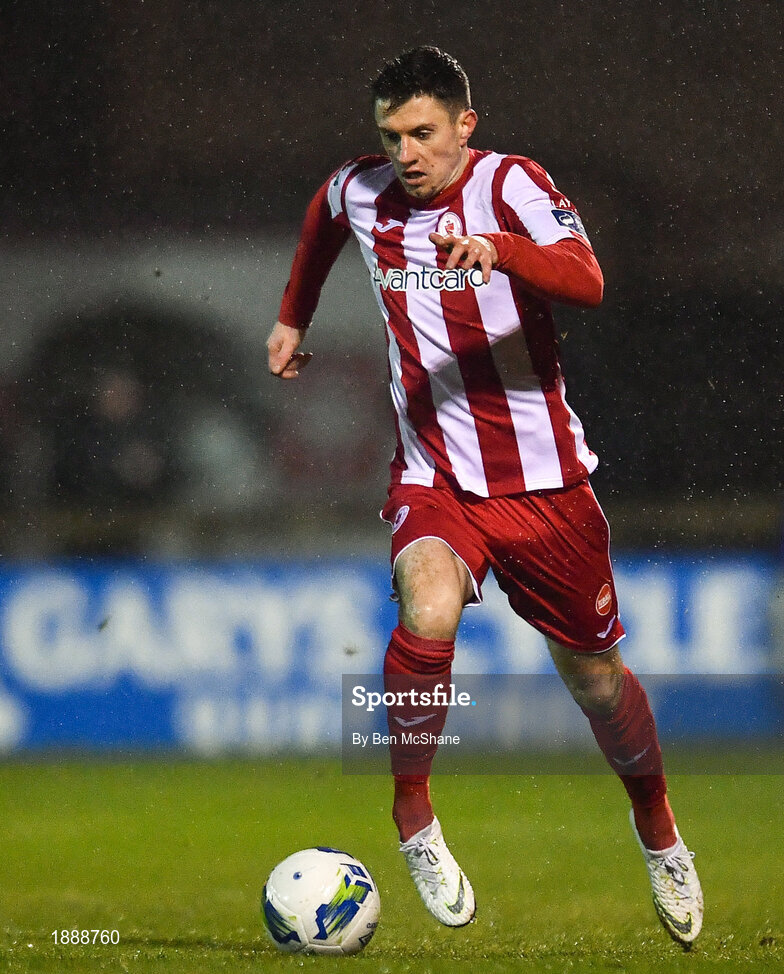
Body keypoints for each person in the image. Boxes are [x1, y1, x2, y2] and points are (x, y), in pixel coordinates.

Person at [267, 45, 703, 948]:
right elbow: (322, 217)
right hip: (433, 475)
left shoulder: (511, 186)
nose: (407, 153)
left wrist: (501, 252)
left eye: (424, 133)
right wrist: (292, 315)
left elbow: (588, 281)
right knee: (426, 609)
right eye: (392, 136)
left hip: (544, 485)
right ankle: (413, 817)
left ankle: (658, 828)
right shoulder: (364, 191)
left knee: (594, 679)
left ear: (466, 124)